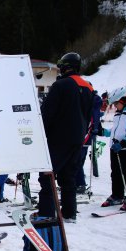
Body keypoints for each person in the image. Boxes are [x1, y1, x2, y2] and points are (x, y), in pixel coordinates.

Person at [36, 52, 93, 223]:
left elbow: (47, 113)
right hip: (77, 138)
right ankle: (69, 213)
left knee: (47, 176)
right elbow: (89, 114)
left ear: (65, 66)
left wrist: (41, 134)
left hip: (58, 138)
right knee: (69, 177)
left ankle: (46, 213)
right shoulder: (88, 86)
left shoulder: (61, 85)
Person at [75, 88, 103, 193]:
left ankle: (80, 183)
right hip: (87, 136)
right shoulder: (93, 103)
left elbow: (88, 123)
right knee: (79, 160)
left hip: (83, 136)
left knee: (76, 160)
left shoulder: (89, 104)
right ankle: (78, 181)